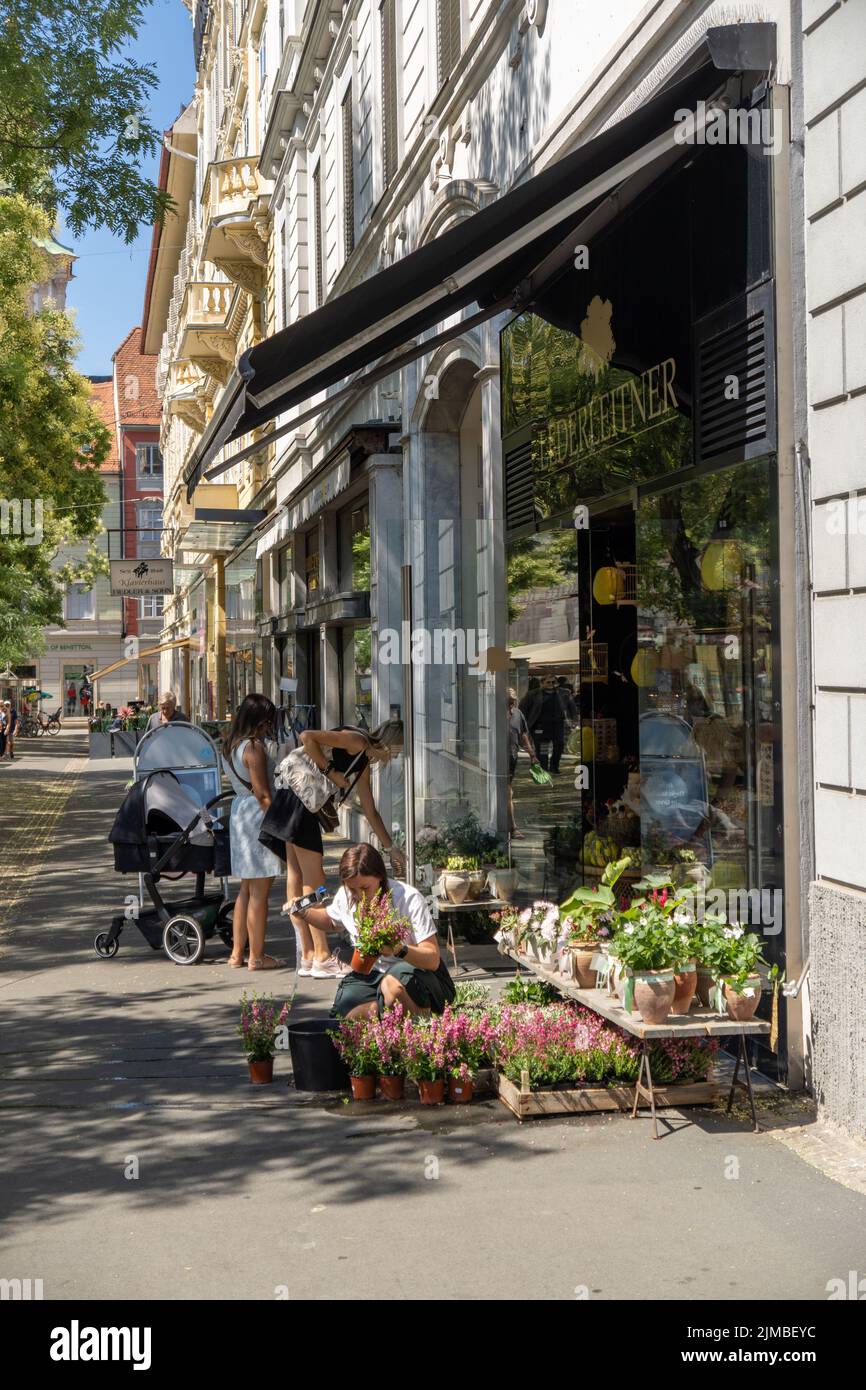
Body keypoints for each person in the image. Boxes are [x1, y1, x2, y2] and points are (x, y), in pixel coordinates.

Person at [261, 720, 405, 979]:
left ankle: (307, 954)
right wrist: (330, 771)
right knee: (314, 880)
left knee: (296, 874)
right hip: (300, 801)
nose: (395, 757)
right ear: (390, 742)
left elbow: (370, 810)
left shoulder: (361, 761)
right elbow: (307, 736)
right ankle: (322, 956)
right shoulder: (357, 741)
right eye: (397, 750)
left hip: (292, 796)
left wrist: (391, 848)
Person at [293, 843, 455, 1019]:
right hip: (372, 974)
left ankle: (420, 1034)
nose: (358, 895)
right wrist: (304, 913)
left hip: (420, 975)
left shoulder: (408, 899)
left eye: (364, 888)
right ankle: (383, 1016)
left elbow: (432, 959)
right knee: (344, 1015)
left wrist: (398, 949)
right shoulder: (346, 896)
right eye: (352, 889)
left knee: (391, 986)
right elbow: (332, 922)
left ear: (380, 877)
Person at [222, 693, 285, 972]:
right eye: (268, 721)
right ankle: (256, 957)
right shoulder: (253, 747)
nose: (270, 726)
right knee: (260, 891)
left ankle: (237, 953)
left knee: (246, 889)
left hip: (239, 814)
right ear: (260, 721)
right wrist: (282, 823)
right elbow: (262, 793)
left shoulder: (230, 744)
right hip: (257, 819)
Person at [520, 673, 574, 775]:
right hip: (540, 726)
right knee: (543, 749)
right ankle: (544, 768)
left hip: (557, 725)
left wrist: (572, 718)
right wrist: (524, 723)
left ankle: (554, 767)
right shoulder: (532, 694)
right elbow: (523, 708)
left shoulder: (563, 693)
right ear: (541, 683)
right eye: (548, 682)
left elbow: (571, 707)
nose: (551, 684)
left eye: (553, 682)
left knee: (559, 746)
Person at [506, 688, 535, 837]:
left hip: (512, 759)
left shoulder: (518, 714)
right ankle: (513, 827)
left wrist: (532, 755)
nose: (511, 706)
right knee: (508, 793)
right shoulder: (494, 713)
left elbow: (523, 736)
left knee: (508, 793)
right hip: (498, 760)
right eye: (508, 703)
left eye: (513, 702)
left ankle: (510, 826)